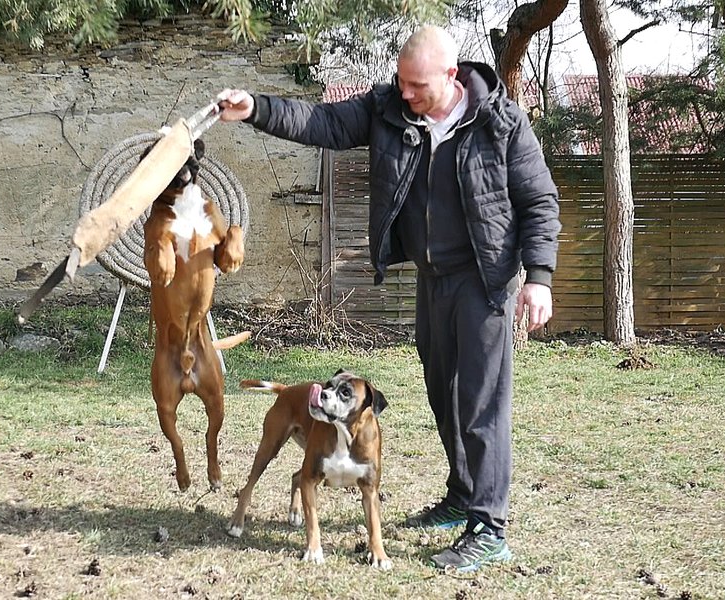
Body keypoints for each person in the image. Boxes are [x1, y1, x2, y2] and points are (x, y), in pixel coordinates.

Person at [217, 24, 560, 573]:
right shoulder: (390, 110)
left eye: (417, 86)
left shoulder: (501, 122)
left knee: (480, 404)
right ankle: (461, 496)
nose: (405, 94)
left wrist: (539, 276)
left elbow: (539, 200)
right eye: (400, 83)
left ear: (451, 77)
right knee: (442, 392)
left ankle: (489, 526)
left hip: (488, 280)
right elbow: (324, 122)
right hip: (433, 276)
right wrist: (255, 107)